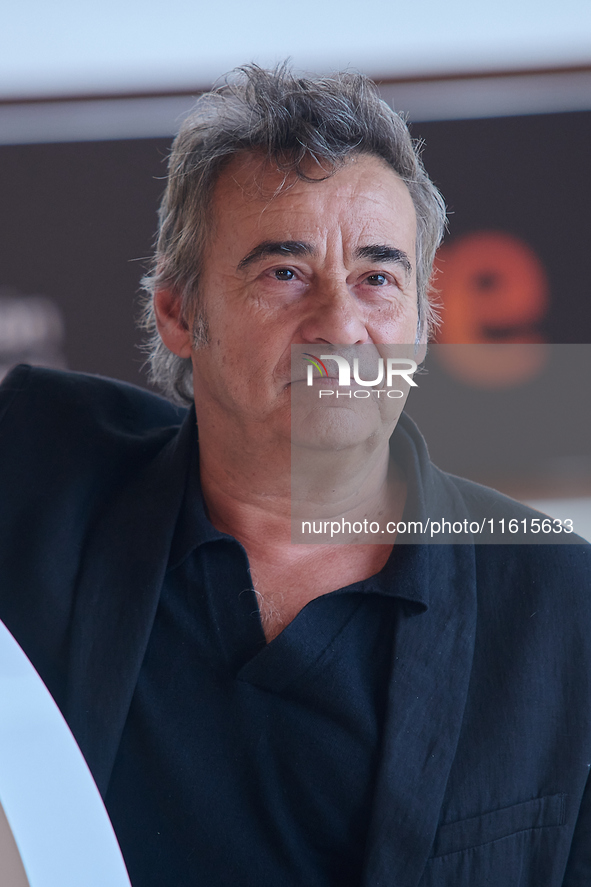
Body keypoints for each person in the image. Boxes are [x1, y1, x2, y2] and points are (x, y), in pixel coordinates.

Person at [0, 64, 590, 887]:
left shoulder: (560, 603)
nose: (340, 326)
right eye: (284, 272)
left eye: (378, 278)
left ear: (422, 320)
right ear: (178, 311)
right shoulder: (39, 476)